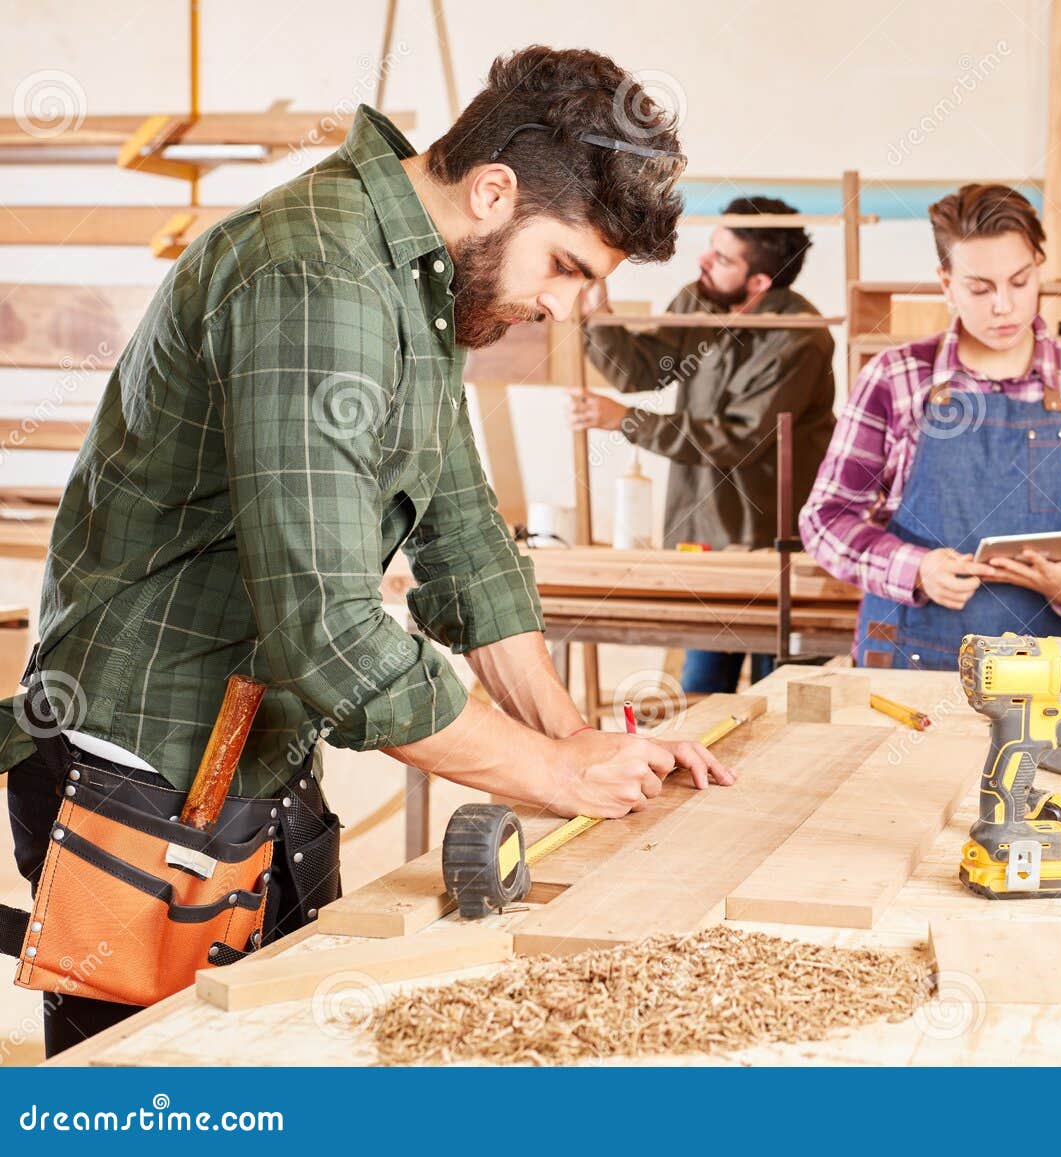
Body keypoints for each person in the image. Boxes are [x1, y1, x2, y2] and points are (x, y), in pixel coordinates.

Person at [0, 45, 735, 1057]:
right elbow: (329, 634)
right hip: (148, 755)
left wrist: (578, 743)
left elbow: (465, 538)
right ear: (491, 190)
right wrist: (547, 777)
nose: (566, 306)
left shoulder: (415, 282)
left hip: (249, 741)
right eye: (566, 266)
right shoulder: (317, 273)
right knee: (158, 1094)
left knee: (285, 1070)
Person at [801, 184, 1061, 669]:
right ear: (946, 284)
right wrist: (916, 567)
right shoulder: (896, 378)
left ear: (1039, 266)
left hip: (1045, 674)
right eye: (979, 289)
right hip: (908, 665)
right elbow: (825, 519)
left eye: (1020, 282)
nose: (1003, 306)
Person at [569, 196, 836, 693]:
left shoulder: (800, 338)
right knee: (700, 699)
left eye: (723, 259)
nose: (703, 262)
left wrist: (629, 421)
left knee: (780, 700)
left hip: (771, 545)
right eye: (712, 249)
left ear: (759, 283)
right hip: (705, 541)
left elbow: (738, 439)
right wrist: (599, 313)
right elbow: (642, 369)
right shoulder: (700, 301)